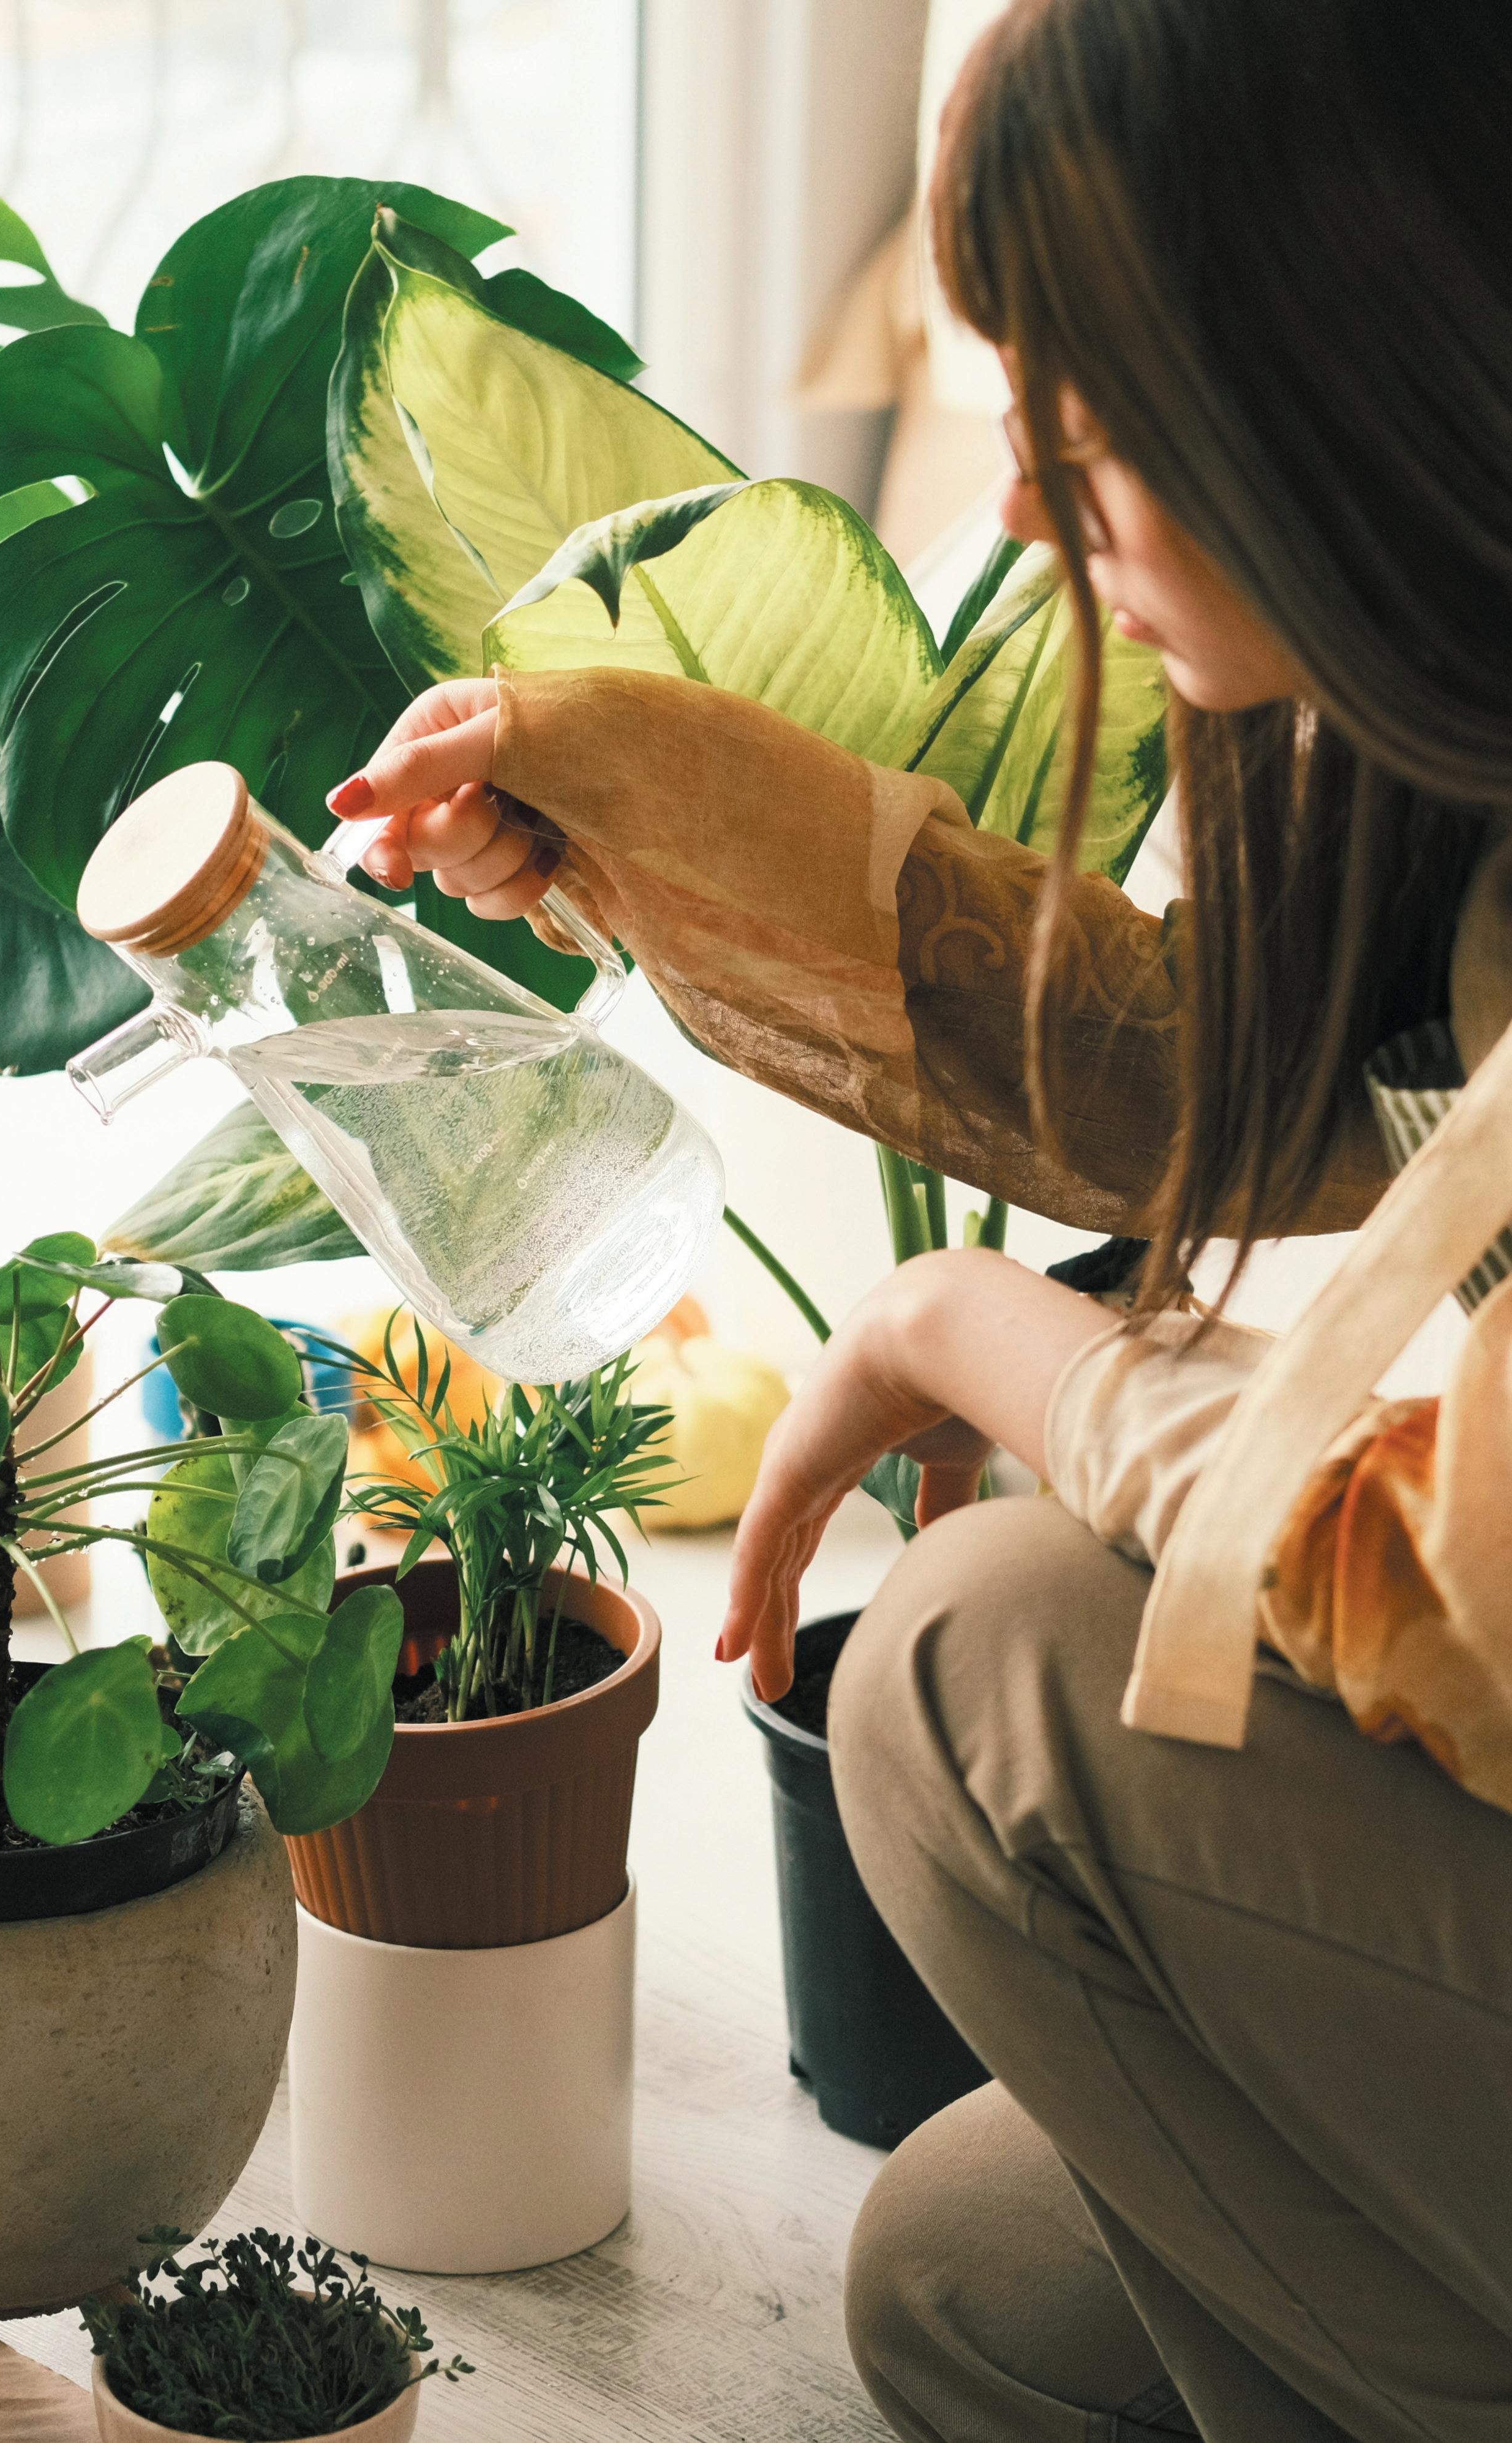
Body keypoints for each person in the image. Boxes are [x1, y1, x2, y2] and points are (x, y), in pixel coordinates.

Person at [328, 2, 1512, 2432]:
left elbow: (1460, 1603)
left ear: (1353, 373)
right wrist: (621, 790)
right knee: (968, 2281)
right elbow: (1193, 1063)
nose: (1034, 521)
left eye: (1094, 435)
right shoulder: (1451, 764)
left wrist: (973, 1330)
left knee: (982, 1656)